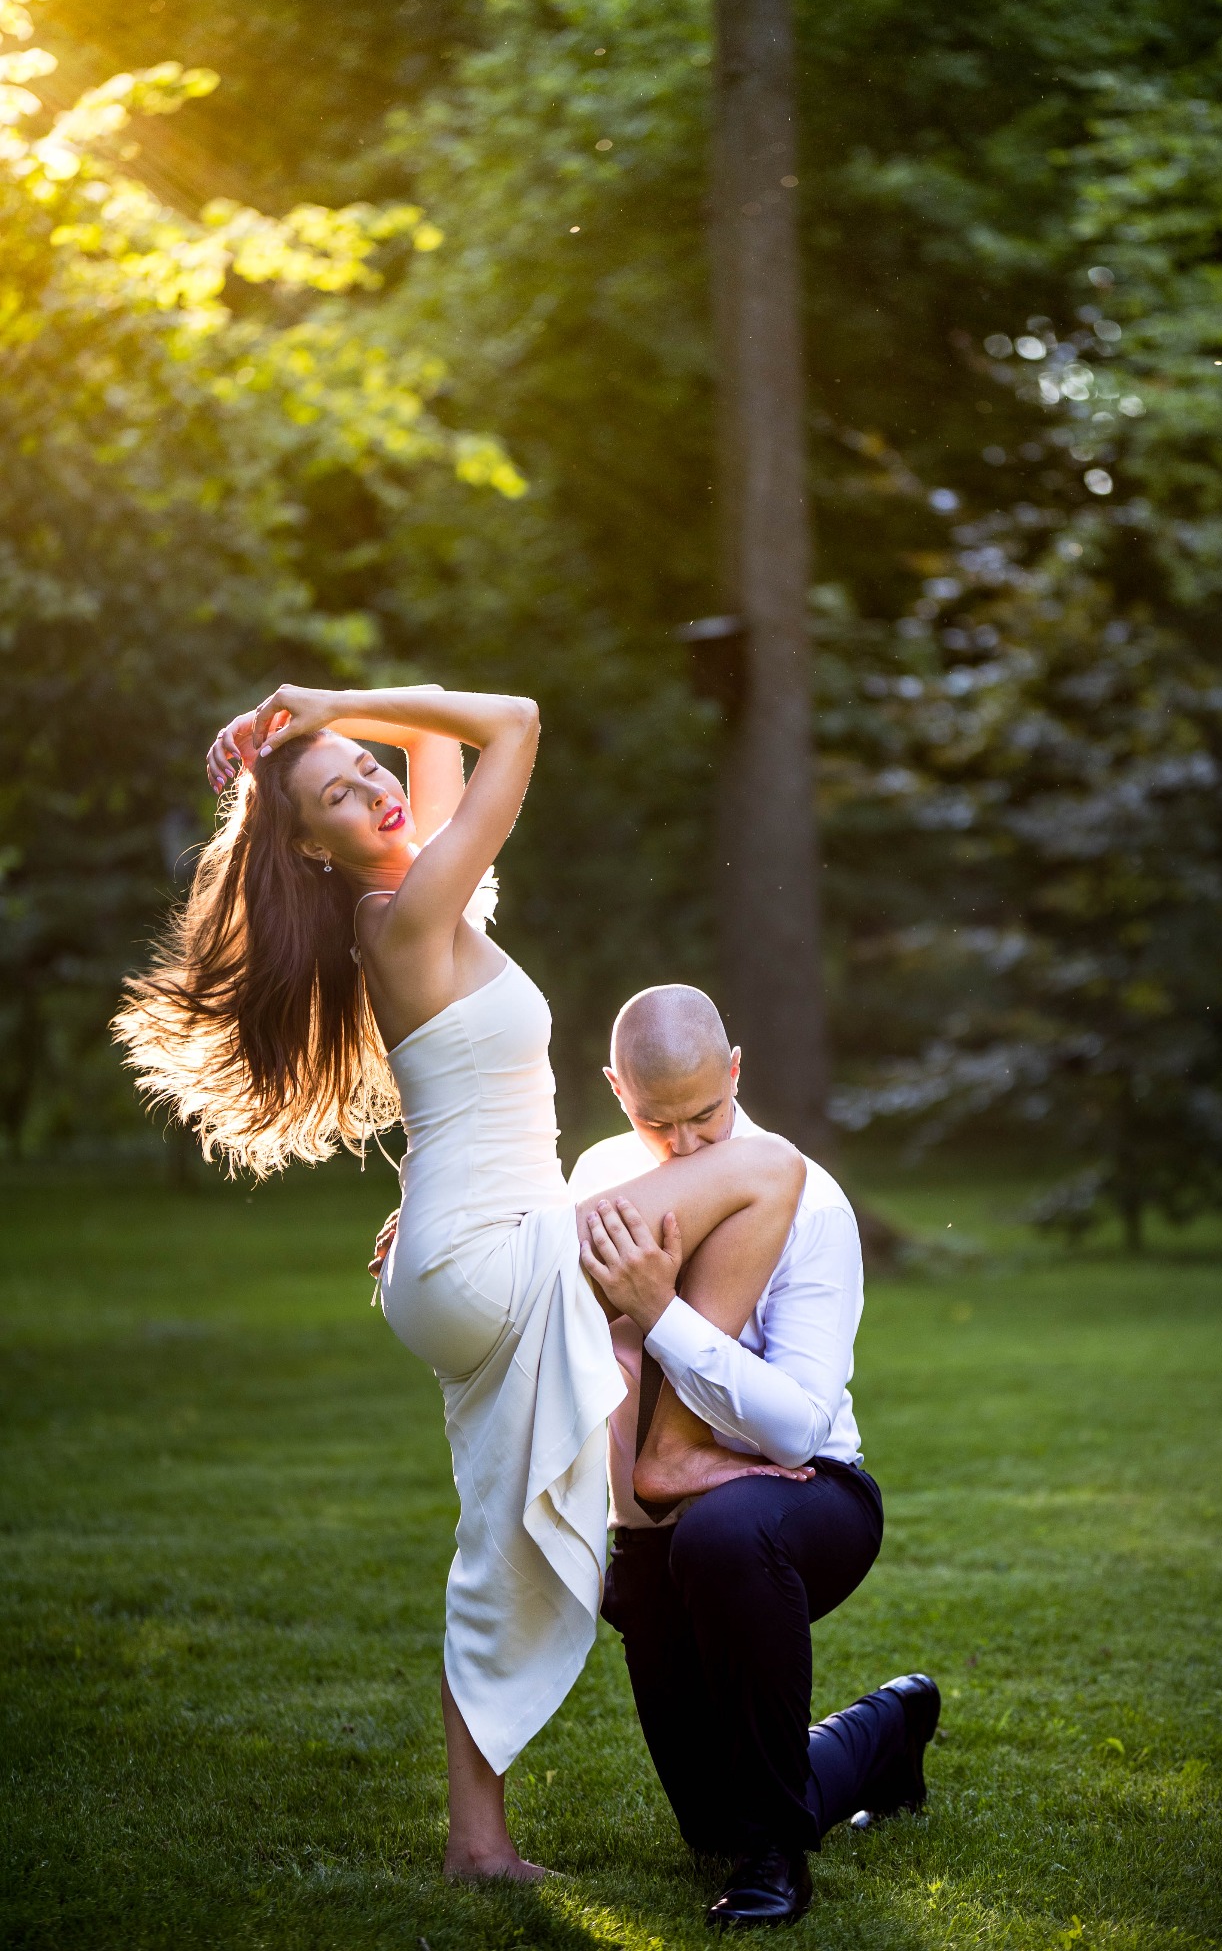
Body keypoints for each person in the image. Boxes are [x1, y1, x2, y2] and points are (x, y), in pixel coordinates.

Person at [115, 681, 812, 1883]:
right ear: (309, 844)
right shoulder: (407, 909)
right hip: (482, 1253)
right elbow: (517, 720)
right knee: (765, 1169)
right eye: (341, 795)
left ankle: (477, 1841)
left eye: (369, 766)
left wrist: (330, 729)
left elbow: (442, 738)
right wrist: (333, 699)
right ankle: (672, 1449)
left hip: (464, 1249)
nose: (376, 788)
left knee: (495, 1537)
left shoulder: (415, 891)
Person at [571, 985, 941, 1929]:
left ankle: (777, 1859)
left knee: (725, 1535)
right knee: (710, 1823)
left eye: (705, 1114)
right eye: (658, 1122)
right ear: (616, 1091)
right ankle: (887, 1729)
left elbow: (797, 1429)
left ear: (735, 1069)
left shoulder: (808, 1198)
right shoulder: (602, 1177)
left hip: (804, 1497)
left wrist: (660, 1313)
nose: (686, 1144)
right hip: (657, 1529)